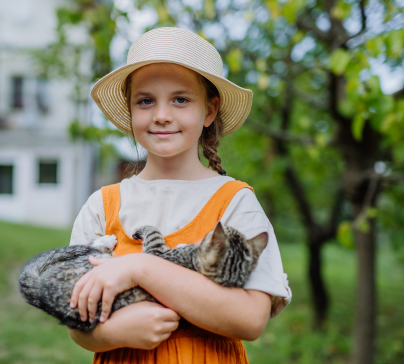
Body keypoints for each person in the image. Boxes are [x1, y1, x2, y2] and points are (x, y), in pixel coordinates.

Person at [67, 27, 292, 363]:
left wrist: (141, 269)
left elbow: (251, 318)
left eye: (180, 99)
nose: (161, 115)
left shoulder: (233, 202)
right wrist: (114, 333)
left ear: (210, 110)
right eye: (145, 101)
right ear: (130, 112)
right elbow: (75, 316)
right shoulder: (102, 206)